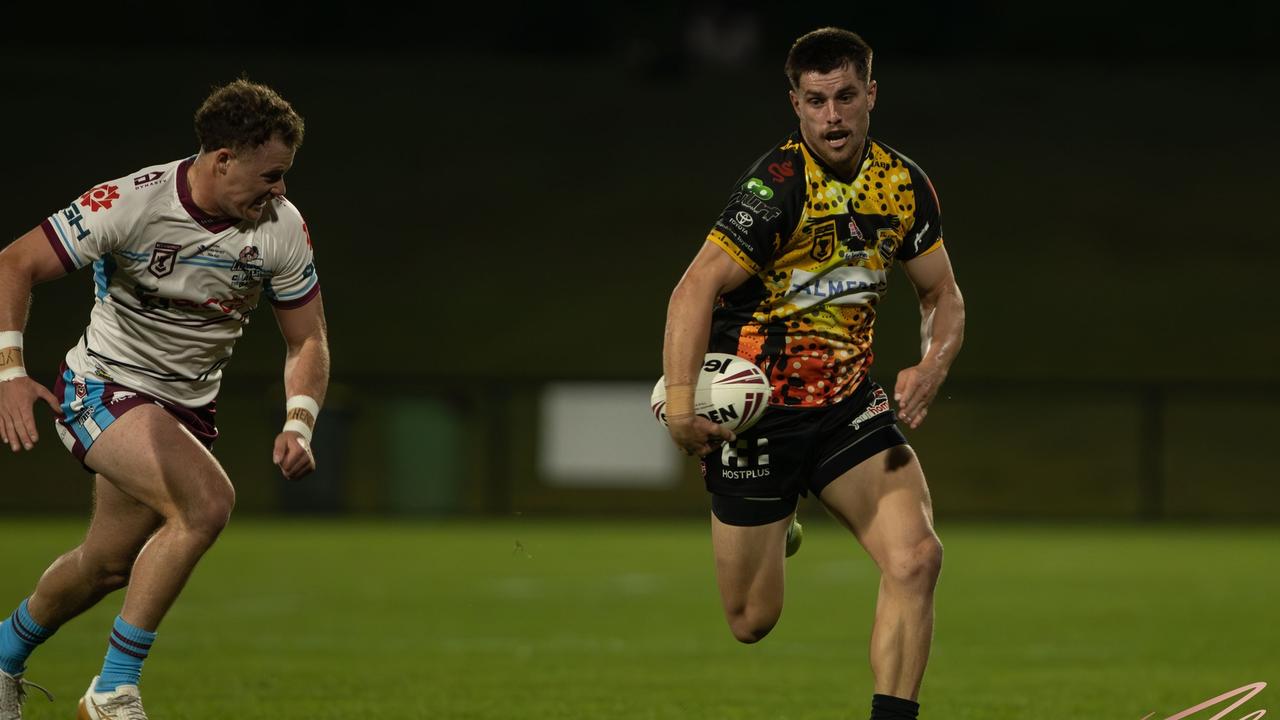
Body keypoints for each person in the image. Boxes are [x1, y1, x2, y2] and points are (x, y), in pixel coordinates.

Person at [0, 79, 329, 720]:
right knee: (207, 505)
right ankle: (114, 690)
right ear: (222, 158)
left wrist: (301, 420)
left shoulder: (283, 229)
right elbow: (14, 263)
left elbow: (306, 339)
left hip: (186, 410)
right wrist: (10, 371)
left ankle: (3, 655)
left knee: (104, 566)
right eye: (271, 175)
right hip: (103, 385)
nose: (280, 191)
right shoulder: (132, 202)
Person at [662, 27, 964, 720]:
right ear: (795, 104)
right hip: (761, 416)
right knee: (751, 620)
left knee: (916, 558)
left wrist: (932, 361)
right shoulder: (775, 190)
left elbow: (942, 293)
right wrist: (682, 409)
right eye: (817, 100)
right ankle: (782, 520)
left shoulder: (903, 185)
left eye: (846, 97)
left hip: (850, 407)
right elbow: (692, 290)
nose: (833, 115)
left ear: (871, 96)